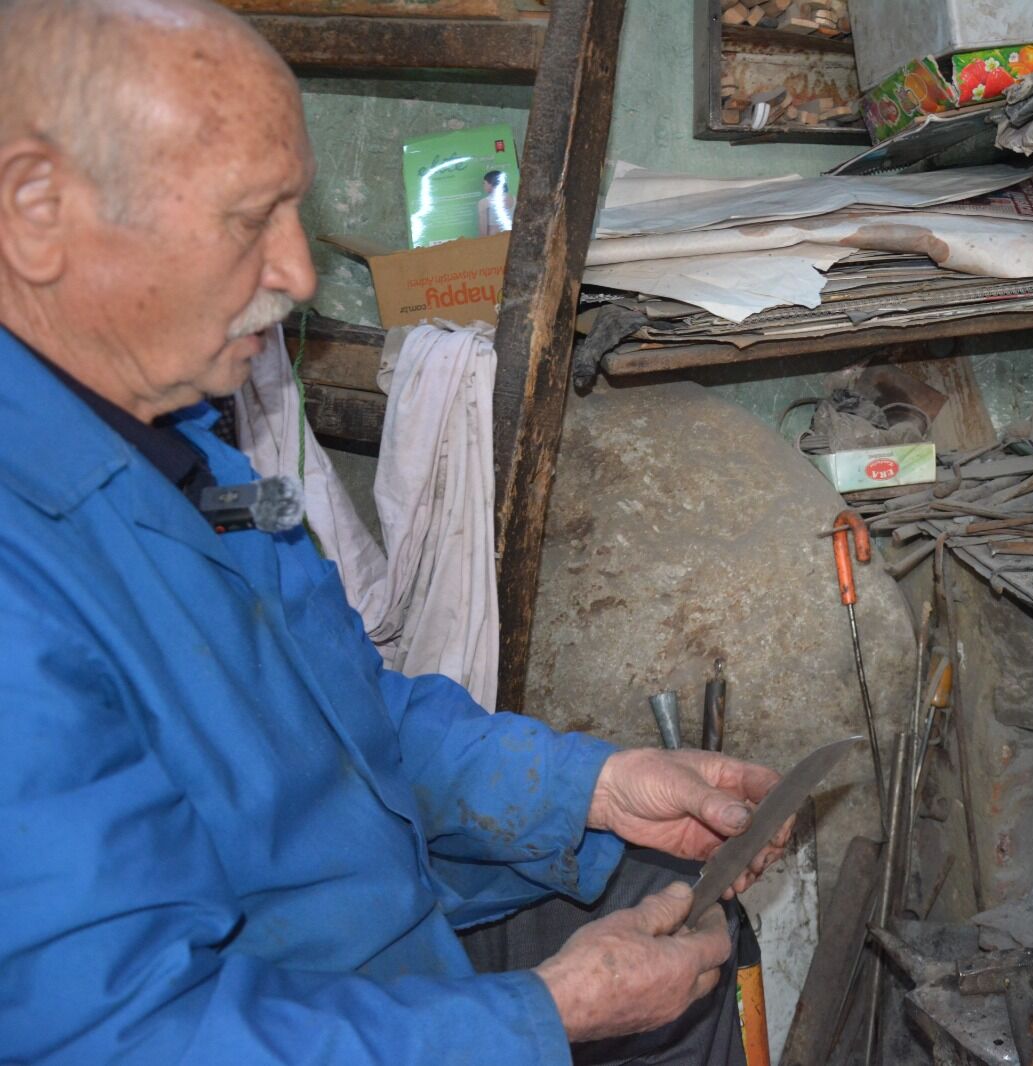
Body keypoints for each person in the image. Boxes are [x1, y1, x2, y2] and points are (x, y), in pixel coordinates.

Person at [0, 2, 788, 1063]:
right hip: (263, 1016)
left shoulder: (176, 440)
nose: (297, 274)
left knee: (688, 906)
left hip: (378, 934)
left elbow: (350, 715)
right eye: (249, 218)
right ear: (35, 212)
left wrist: (591, 787)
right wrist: (541, 1016)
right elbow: (125, 1038)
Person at [479, 168, 512, 236]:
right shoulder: (515, 199)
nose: (483, 186)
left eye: (484, 183)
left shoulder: (484, 202)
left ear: (491, 184)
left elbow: (483, 230)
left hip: (495, 239)